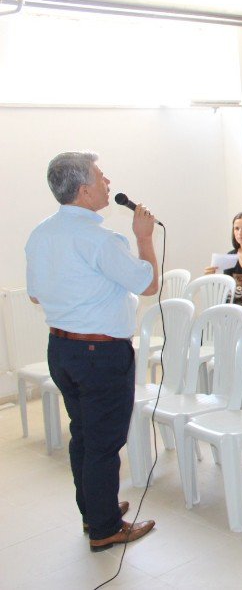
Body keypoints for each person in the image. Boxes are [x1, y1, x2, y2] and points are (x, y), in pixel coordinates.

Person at [25, 152, 158, 550]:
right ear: (84, 190)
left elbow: (34, 295)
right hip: (100, 355)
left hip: (62, 349)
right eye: (101, 177)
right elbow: (147, 284)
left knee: (83, 435)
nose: (107, 181)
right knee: (102, 443)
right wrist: (145, 238)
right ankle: (104, 530)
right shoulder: (101, 239)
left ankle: (94, 510)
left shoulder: (40, 233)